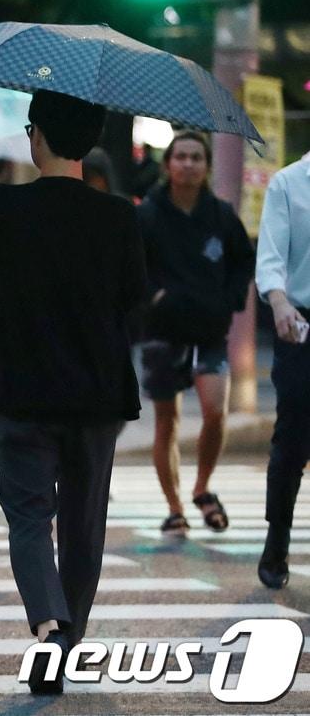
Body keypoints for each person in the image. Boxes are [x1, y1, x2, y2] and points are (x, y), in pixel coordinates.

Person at [0, 90, 145, 696]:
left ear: (36, 136)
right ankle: (66, 640)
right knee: (83, 523)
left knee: (28, 516)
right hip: (97, 391)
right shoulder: (120, 215)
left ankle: (47, 621)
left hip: (24, 388)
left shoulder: (1, 207)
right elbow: (133, 299)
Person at [137, 131, 254, 536]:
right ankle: (174, 507)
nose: (188, 164)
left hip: (209, 329)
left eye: (196, 158)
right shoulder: (148, 214)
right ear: (168, 164)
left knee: (214, 412)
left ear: (206, 167)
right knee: (166, 421)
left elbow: (243, 261)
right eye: (181, 157)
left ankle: (202, 488)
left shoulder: (221, 215)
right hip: (163, 330)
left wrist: (231, 299)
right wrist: (154, 297)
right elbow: (131, 267)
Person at [255, 151, 310, 590]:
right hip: (300, 322)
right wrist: (278, 301)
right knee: (292, 435)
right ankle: (277, 539)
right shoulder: (289, 183)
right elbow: (271, 255)